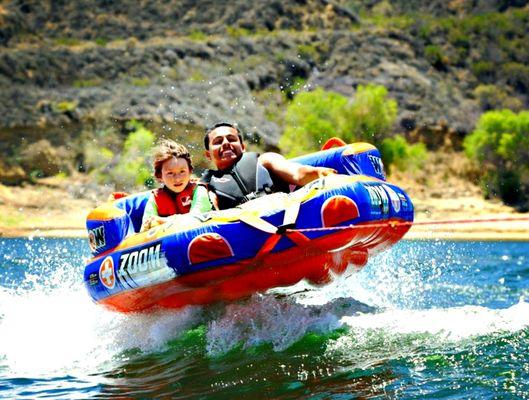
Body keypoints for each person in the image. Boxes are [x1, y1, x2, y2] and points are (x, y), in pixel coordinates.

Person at [201, 122, 336, 210]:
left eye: (231, 139)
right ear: (208, 155)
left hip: (287, 220)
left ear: (243, 147)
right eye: (218, 141)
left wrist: (325, 175)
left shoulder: (265, 160)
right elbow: (209, 215)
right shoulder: (209, 187)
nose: (225, 143)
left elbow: (299, 174)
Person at [141, 139, 212, 231]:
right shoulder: (154, 198)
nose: (177, 179)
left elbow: (197, 217)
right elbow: (146, 227)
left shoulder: (199, 189)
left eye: (182, 171)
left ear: (190, 171)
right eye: (170, 173)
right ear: (160, 176)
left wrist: (164, 221)